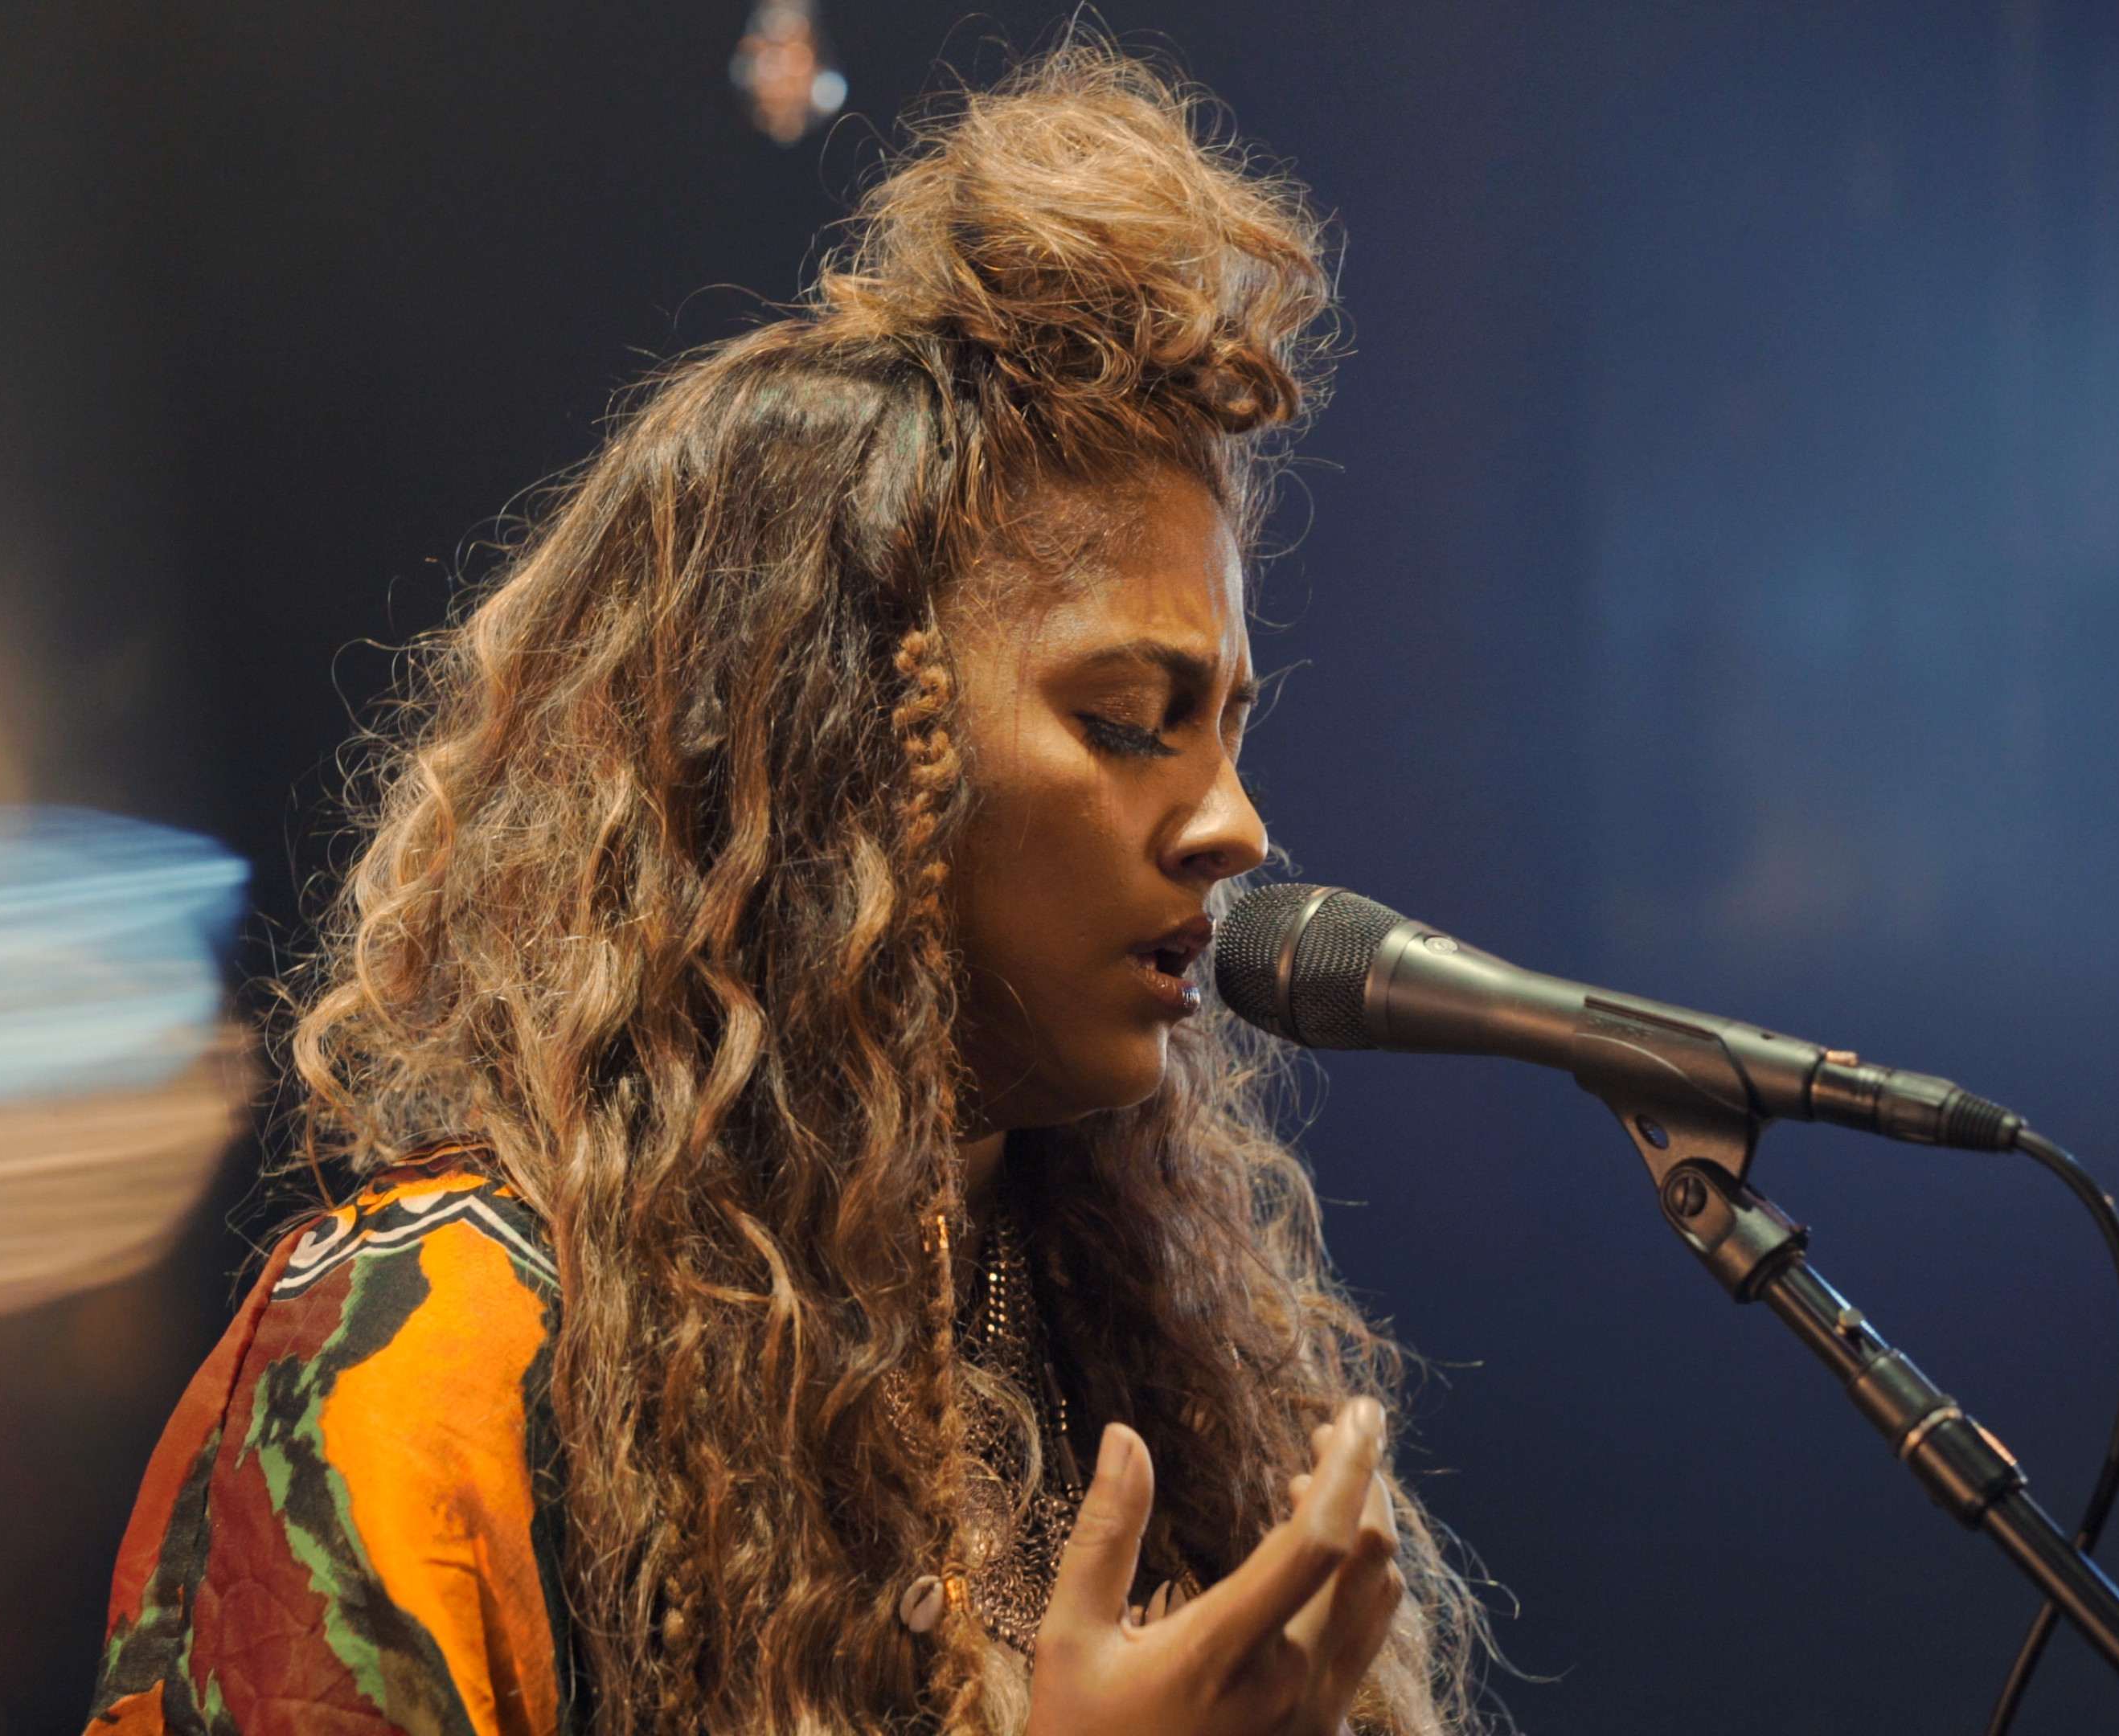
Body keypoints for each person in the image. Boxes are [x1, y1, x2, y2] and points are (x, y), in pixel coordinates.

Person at [84, 45, 1486, 1736]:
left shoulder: (1091, 1342)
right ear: (837, 758)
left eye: (1226, 728)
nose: (1233, 827)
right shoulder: (422, 1345)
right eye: (1126, 723)